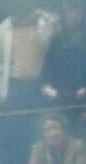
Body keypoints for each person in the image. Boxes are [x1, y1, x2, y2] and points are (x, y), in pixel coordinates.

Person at [0, 6, 59, 164]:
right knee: (16, 138)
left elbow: (56, 32)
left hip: (38, 87)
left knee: (39, 135)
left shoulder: (45, 22)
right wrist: (1, 91)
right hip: (14, 88)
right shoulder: (4, 27)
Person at [42, 1, 86, 131]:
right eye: (70, 11)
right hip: (60, 96)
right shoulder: (57, 39)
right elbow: (48, 66)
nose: (73, 15)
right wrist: (48, 87)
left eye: (77, 11)